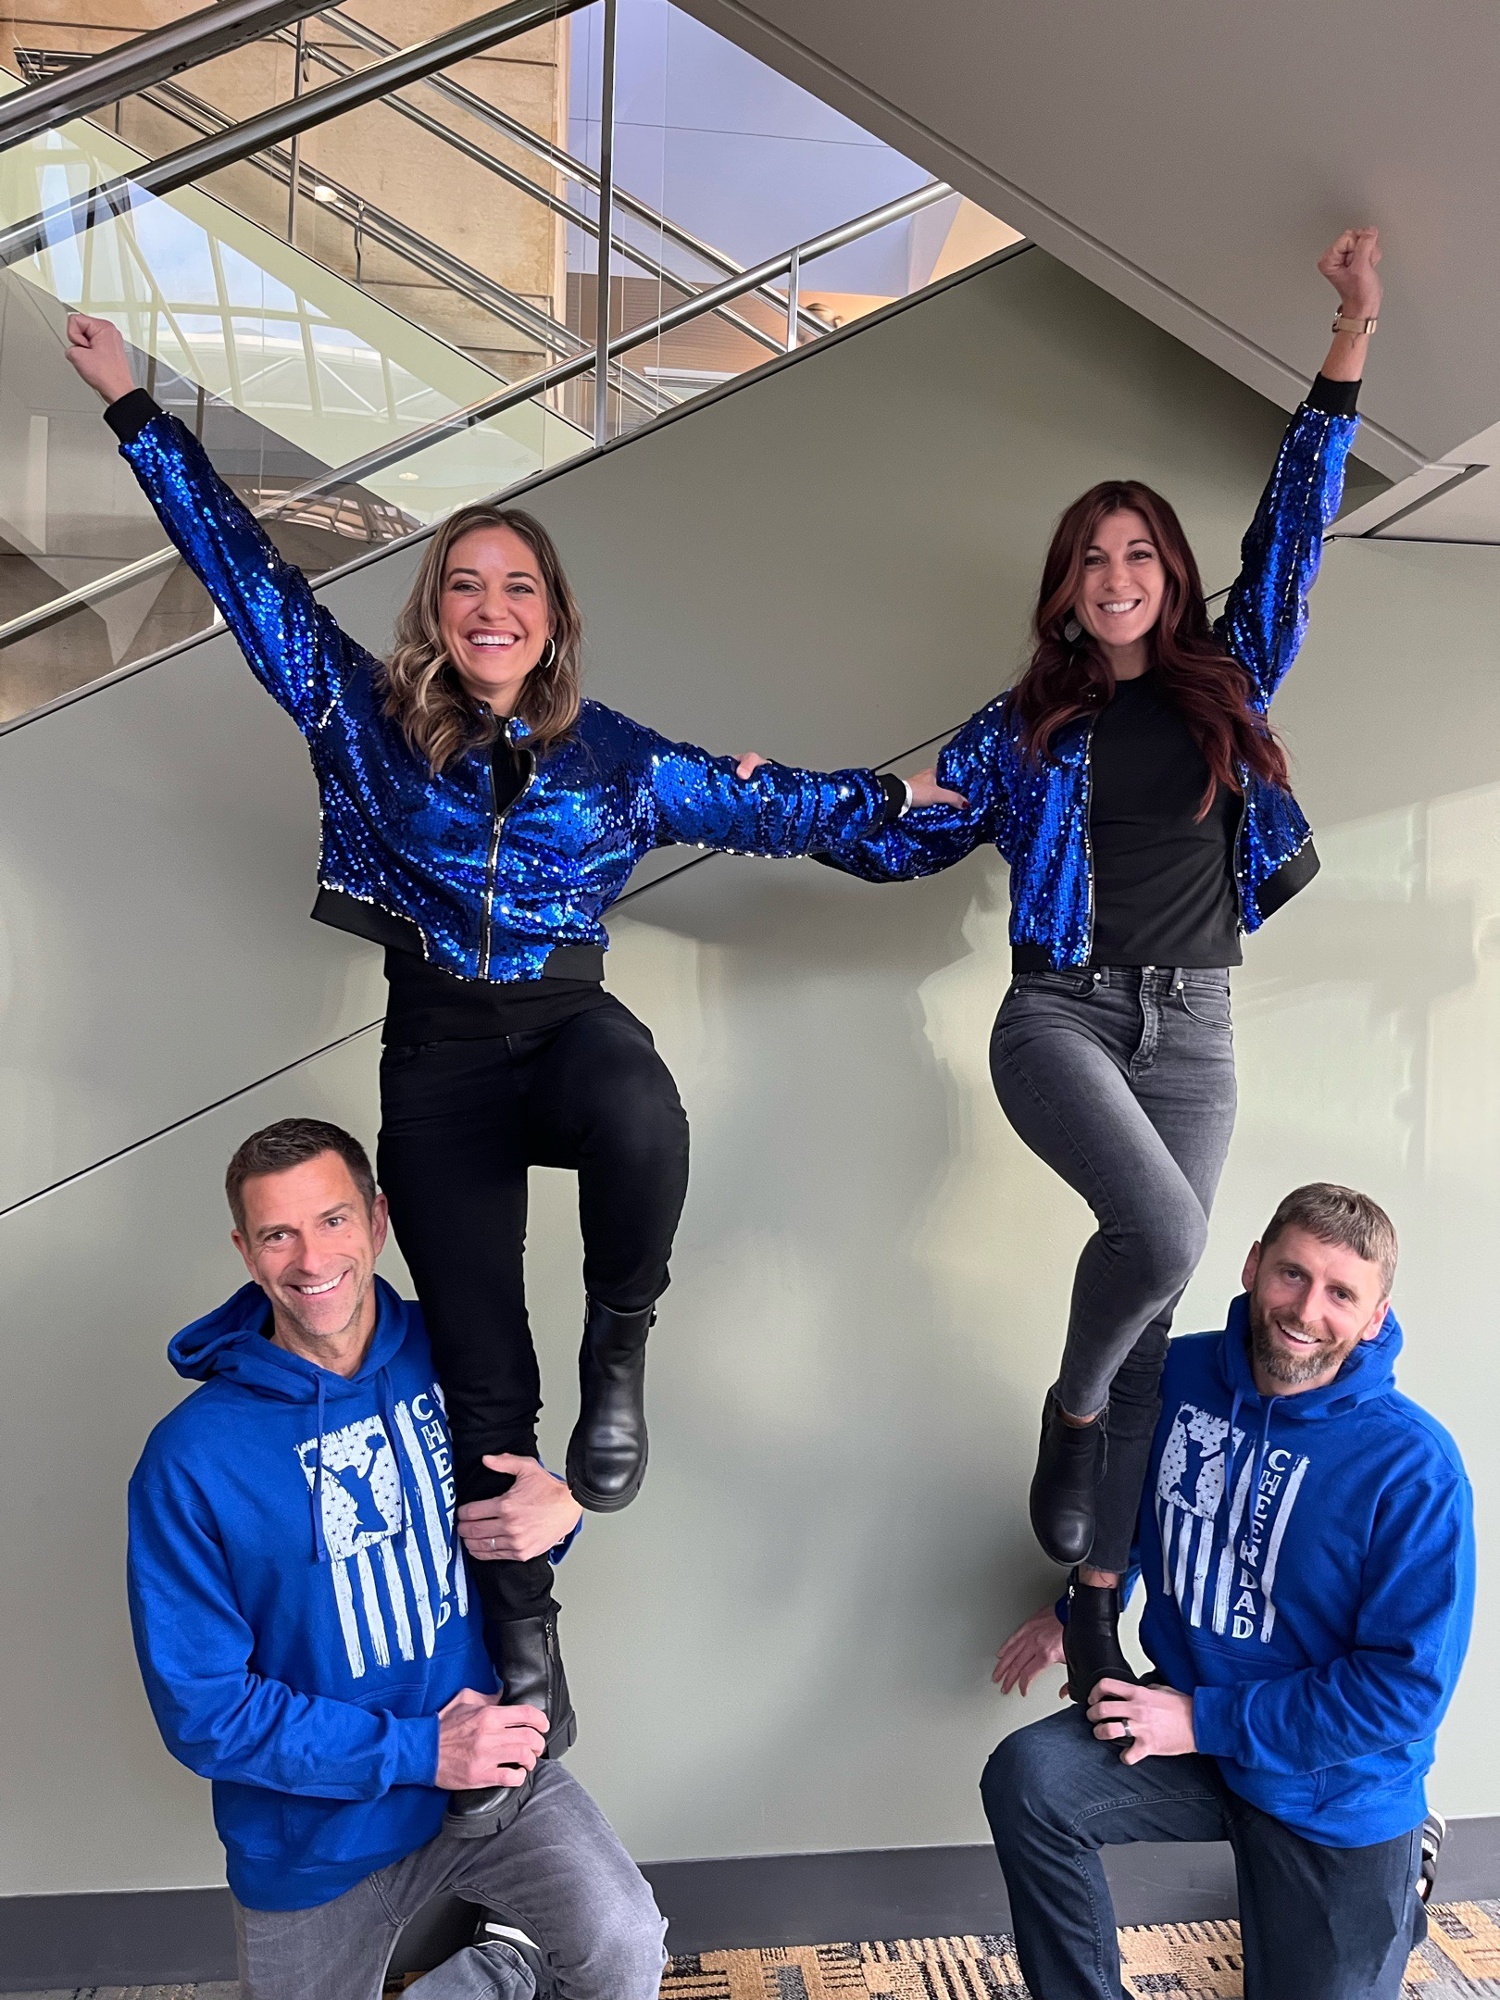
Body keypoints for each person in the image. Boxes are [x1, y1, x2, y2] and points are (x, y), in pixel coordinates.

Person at [67, 311, 962, 1830]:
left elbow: (782, 810)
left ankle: (623, 1350)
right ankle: (529, 1629)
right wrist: (134, 409)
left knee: (640, 1105)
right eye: (466, 585)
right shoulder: (362, 717)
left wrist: (911, 800)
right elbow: (246, 578)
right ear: (437, 613)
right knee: (482, 1366)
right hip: (437, 1059)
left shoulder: (614, 756)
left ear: (553, 620)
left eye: (518, 586)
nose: (492, 606)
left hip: (560, 1029)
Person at [785, 228, 1383, 1711]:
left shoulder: (1231, 676)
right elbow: (902, 828)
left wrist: (1349, 340)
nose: (1116, 576)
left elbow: (1295, 528)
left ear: (1169, 575)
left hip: (1197, 1022)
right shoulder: (1024, 728)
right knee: (1166, 1241)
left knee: (1160, 1304)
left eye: (1139, 554)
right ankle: (1069, 1408)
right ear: (1064, 589)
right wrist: (762, 794)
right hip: (1059, 1013)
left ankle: (1096, 1609)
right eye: (1091, 560)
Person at [127, 1117, 666, 2000]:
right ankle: (502, 1972)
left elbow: (518, 1523)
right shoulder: (189, 1459)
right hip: (313, 1837)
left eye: (333, 1220)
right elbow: (205, 1711)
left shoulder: (457, 1349)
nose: (311, 1259)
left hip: (489, 1771)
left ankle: (507, 1963)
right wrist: (421, 1750)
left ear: (377, 1221)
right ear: (246, 1251)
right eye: (278, 1234)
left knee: (623, 1945)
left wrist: (566, 1502)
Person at [984, 1183, 1474, 2000]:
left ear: (1375, 1318)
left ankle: (1397, 1876)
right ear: (1252, 1266)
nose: (1306, 1311)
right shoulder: (1177, 1375)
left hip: (1332, 1786)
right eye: (1292, 1274)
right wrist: (1074, 1615)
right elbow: (1136, 1510)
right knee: (1031, 1780)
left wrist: (1200, 1719)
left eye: (1341, 1293)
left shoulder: (1415, 1469)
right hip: (1198, 1737)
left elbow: (1404, 1693)